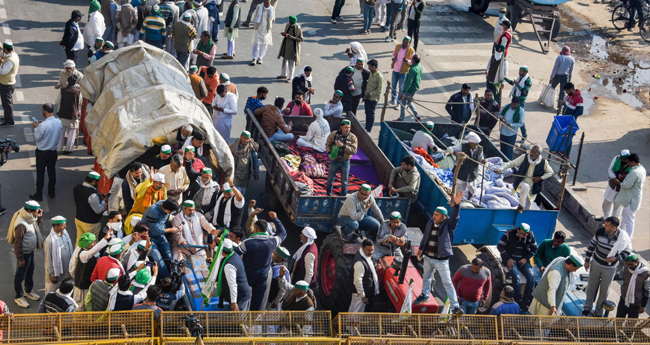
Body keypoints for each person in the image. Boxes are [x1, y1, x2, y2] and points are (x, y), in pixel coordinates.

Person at [414, 192, 463, 315]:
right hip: (428, 257)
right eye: (434, 214)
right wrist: (420, 249)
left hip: (441, 260)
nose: (434, 217)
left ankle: (455, 306)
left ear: (444, 217)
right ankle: (425, 295)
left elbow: (454, 218)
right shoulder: (430, 222)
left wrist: (456, 206)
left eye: (437, 215)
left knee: (447, 282)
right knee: (426, 277)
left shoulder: (448, 225)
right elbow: (425, 237)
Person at [235, 211, 287, 311]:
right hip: (262, 278)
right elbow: (283, 233)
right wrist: (275, 218)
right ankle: (252, 321)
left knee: (242, 297)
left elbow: (235, 253)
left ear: (256, 229)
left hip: (247, 276)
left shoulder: (247, 243)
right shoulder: (272, 242)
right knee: (257, 301)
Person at [582, 216, 632, 317]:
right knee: (592, 287)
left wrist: (616, 258)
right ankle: (587, 308)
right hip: (596, 263)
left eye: (607, 225)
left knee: (604, 291)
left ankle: (598, 311)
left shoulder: (622, 237)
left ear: (614, 228)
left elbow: (627, 251)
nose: (604, 226)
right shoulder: (600, 232)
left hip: (609, 268)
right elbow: (592, 246)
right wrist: (587, 260)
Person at [495, 145, 554, 212]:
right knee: (525, 187)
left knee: (529, 205)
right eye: (531, 151)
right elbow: (512, 163)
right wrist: (500, 169)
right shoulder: (524, 157)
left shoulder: (543, 162)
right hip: (522, 182)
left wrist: (540, 178)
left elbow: (551, 172)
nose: (531, 153)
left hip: (534, 186)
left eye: (534, 152)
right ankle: (521, 206)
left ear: (539, 154)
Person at [9, 201, 43, 308]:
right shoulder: (21, 224)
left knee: (30, 271)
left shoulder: (29, 217)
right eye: (36, 212)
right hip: (24, 254)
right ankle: (18, 296)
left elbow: (35, 223)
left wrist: (39, 218)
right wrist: (20, 258)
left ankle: (28, 290)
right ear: (29, 211)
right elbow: (17, 243)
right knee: (20, 274)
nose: (37, 214)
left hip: (30, 251)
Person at [497, 223, 537, 311]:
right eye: (521, 233)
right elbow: (500, 246)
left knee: (531, 277)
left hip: (522, 260)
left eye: (524, 234)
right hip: (510, 259)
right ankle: (518, 298)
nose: (522, 236)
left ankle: (527, 300)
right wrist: (508, 258)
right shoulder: (508, 233)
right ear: (518, 229)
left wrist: (526, 258)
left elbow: (534, 248)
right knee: (516, 277)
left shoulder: (530, 236)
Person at [69, 232, 110, 310]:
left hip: (89, 284)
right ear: (86, 244)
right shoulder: (83, 254)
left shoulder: (89, 250)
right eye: (92, 242)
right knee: (80, 307)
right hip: (81, 287)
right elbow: (92, 252)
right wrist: (105, 239)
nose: (95, 243)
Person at [30, 104, 62, 201]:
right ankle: (51, 192)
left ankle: (39, 194)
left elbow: (37, 137)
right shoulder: (58, 121)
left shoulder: (43, 125)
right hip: (53, 151)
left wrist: (36, 127)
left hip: (42, 152)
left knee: (40, 173)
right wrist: (41, 124)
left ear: (45, 112)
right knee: (51, 172)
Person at [446, 132, 485, 200]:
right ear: (470, 143)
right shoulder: (462, 146)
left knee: (472, 189)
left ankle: (469, 199)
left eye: (477, 144)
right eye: (475, 144)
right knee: (459, 188)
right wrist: (456, 154)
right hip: (461, 172)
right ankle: (456, 200)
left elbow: (480, 158)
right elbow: (449, 148)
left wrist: (483, 161)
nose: (477, 145)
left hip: (472, 173)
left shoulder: (480, 148)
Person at [142, 199, 180, 269]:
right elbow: (155, 231)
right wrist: (170, 230)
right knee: (159, 261)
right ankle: (167, 277)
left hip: (161, 236)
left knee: (169, 258)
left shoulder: (165, 203)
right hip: (149, 238)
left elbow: (165, 223)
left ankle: (173, 273)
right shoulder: (153, 211)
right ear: (168, 210)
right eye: (170, 212)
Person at [615, 153, 645, 240]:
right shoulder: (641, 169)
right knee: (625, 217)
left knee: (629, 221)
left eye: (628, 162)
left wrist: (618, 182)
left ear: (633, 162)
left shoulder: (635, 172)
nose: (627, 164)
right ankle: (620, 234)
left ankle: (628, 239)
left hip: (630, 199)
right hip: (632, 198)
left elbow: (626, 185)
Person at [326, 120, 358, 196]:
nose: (348, 129)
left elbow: (354, 151)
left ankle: (343, 196)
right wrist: (330, 153)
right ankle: (328, 195)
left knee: (344, 181)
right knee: (330, 179)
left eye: (349, 127)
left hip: (345, 162)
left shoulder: (353, 138)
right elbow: (328, 144)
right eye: (346, 127)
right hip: (334, 160)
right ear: (341, 127)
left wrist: (343, 146)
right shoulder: (333, 135)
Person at [73, 172, 108, 242]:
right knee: (91, 244)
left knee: (80, 242)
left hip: (78, 219)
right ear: (94, 182)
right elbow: (99, 210)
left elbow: (84, 199)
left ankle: (78, 253)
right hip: (90, 224)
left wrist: (98, 196)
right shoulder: (92, 194)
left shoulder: (77, 187)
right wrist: (104, 201)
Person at [218, 239, 252, 311]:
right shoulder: (234, 255)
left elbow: (232, 284)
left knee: (239, 321)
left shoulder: (229, 265)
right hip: (243, 295)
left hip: (240, 299)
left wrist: (234, 302)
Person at [43, 216, 74, 294]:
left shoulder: (66, 235)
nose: (65, 227)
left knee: (65, 291)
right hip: (56, 274)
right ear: (56, 226)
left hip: (66, 271)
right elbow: (48, 259)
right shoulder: (49, 241)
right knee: (52, 293)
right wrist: (52, 274)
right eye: (63, 225)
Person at [599, 149, 630, 221]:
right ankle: (605, 218)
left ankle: (614, 222)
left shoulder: (630, 164)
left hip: (622, 188)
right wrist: (614, 178)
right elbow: (610, 169)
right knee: (606, 202)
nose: (622, 160)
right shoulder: (616, 158)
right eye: (622, 158)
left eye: (624, 159)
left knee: (618, 206)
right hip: (613, 184)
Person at [349, 239, 380, 312]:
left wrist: (375, 267)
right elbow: (357, 281)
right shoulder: (359, 263)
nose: (371, 252)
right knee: (357, 314)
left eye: (372, 250)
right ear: (363, 248)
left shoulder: (366, 256)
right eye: (369, 250)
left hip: (361, 292)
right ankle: (354, 323)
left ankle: (348, 323)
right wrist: (363, 295)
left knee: (353, 309)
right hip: (360, 293)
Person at [617, 254, 650, 319]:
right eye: (627, 264)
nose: (629, 266)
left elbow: (647, 291)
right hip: (624, 299)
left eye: (631, 264)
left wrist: (643, 306)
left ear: (636, 262)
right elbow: (620, 276)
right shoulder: (626, 267)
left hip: (636, 303)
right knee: (618, 320)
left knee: (631, 324)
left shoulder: (646, 274)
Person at [504, 65, 532, 141]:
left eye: (521, 71)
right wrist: (505, 78)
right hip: (514, 99)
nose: (519, 72)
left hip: (520, 101)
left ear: (525, 72)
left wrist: (518, 85)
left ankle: (524, 135)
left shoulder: (527, 81)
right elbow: (513, 84)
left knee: (520, 119)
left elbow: (525, 92)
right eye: (519, 71)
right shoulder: (520, 78)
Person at [56, 75, 81, 155]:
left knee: (61, 132)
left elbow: (57, 101)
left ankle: (59, 148)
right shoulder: (78, 91)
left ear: (67, 82)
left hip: (63, 113)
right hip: (73, 115)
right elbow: (80, 102)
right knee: (72, 133)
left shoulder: (63, 90)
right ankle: (68, 149)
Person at [389, 37, 414, 107]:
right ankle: (392, 100)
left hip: (403, 72)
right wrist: (393, 58)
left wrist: (407, 61)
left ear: (409, 43)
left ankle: (399, 103)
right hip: (395, 70)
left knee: (401, 88)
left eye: (407, 43)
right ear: (402, 41)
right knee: (393, 87)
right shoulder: (398, 46)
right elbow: (393, 54)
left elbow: (412, 62)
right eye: (404, 42)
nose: (405, 44)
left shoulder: (411, 50)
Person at [277, 16, 303, 82]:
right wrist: (284, 34)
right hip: (286, 46)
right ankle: (283, 74)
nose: (289, 23)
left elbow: (301, 39)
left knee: (291, 63)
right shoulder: (287, 25)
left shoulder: (298, 28)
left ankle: (290, 77)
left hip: (293, 47)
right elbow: (285, 32)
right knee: (284, 61)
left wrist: (292, 37)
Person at [397, 53, 422, 121]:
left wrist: (403, 92)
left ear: (413, 60)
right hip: (415, 87)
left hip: (410, 89)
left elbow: (409, 82)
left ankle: (401, 118)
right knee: (409, 102)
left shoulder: (412, 70)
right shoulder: (419, 66)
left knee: (403, 103)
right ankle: (417, 116)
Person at [0, 40, 19, 127]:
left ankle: (10, 120)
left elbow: (3, 72)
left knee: (7, 103)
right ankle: (7, 117)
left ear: (6, 49)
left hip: (7, 84)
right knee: (6, 102)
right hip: (6, 83)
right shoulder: (12, 55)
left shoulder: (10, 60)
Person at [250, 0, 274, 65]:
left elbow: (273, 18)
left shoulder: (272, 9)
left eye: (268, 3)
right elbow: (255, 16)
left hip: (266, 30)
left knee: (264, 45)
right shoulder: (259, 7)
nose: (266, 4)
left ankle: (260, 57)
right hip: (258, 28)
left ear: (270, 3)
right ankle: (254, 58)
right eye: (265, 3)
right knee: (256, 44)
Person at [364, 59, 383, 132]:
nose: (368, 68)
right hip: (367, 97)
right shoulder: (371, 74)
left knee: (371, 115)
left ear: (374, 67)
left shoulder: (379, 77)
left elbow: (379, 90)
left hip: (373, 98)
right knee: (367, 113)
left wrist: (370, 94)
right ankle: (366, 128)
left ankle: (369, 130)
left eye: (370, 67)